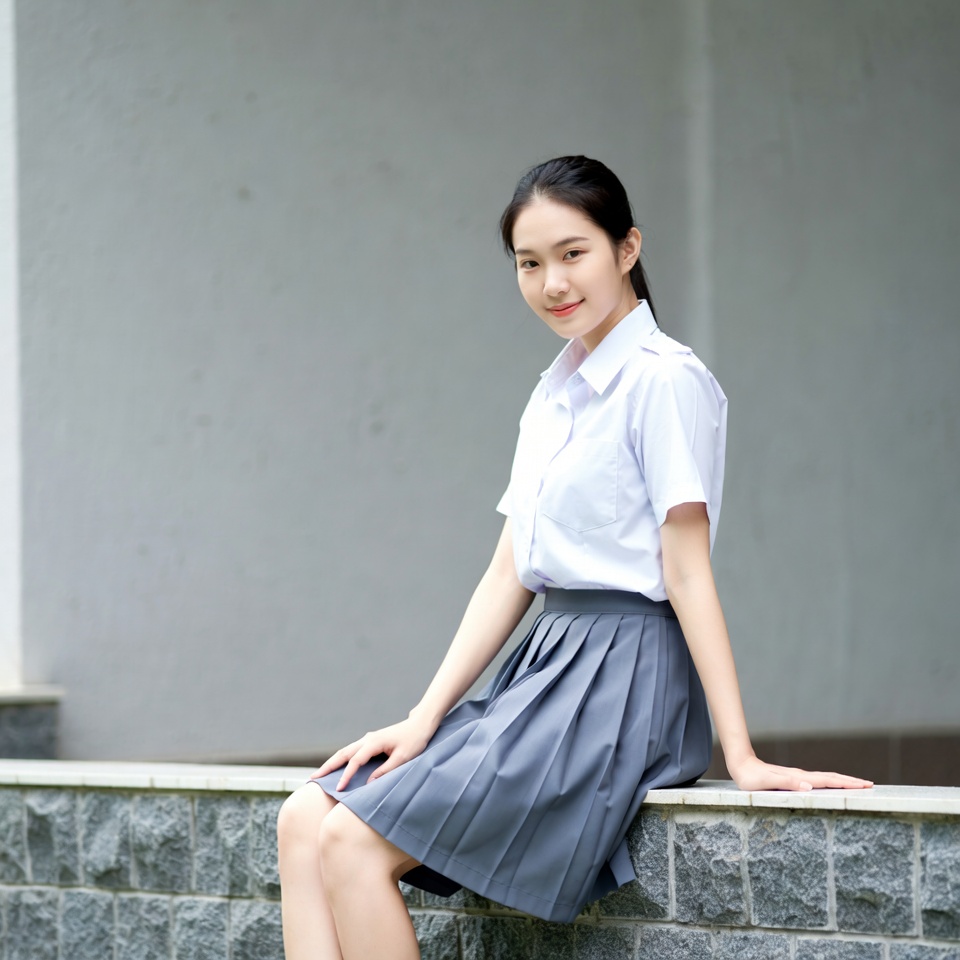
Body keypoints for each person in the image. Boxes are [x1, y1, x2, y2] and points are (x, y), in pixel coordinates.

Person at [276, 155, 872, 960]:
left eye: (572, 253)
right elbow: (508, 572)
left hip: (624, 681)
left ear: (627, 249)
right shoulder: (554, 391)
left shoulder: (666, 382)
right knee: (303, 818)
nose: (552, 282)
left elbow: (688, 572)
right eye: (529, 263)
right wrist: (424, 718)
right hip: (547, 667)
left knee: (351, 843)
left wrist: (742, 754)